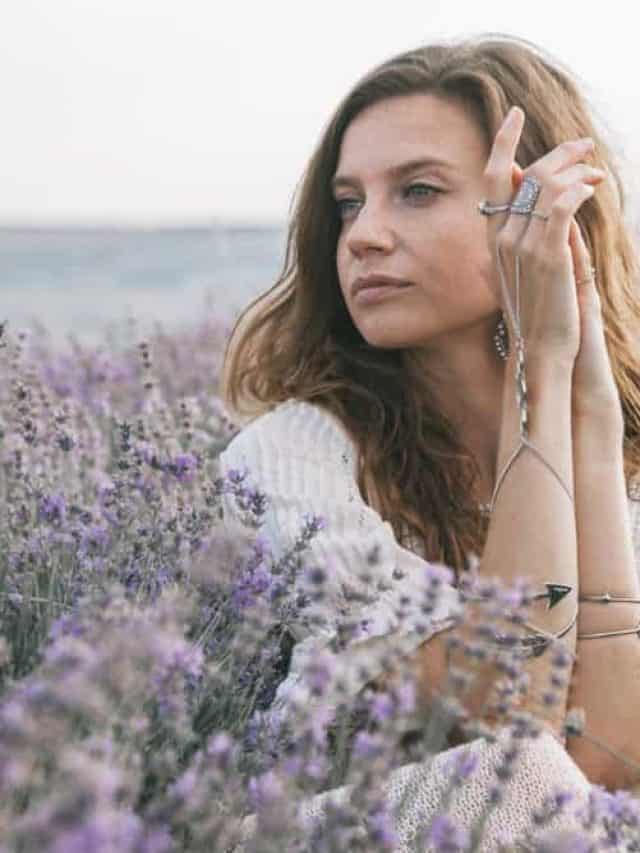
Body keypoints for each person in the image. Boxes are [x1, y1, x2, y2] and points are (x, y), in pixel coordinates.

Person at [218, 32, 640, 850]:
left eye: (415, 190)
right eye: (349, 202)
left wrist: (585, 415)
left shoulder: (626, 468)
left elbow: (610, 760)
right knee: (527, 776)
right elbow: (511, 730)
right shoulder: (294, 459)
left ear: (549, 225)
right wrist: (537, 367)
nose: (363, 235)